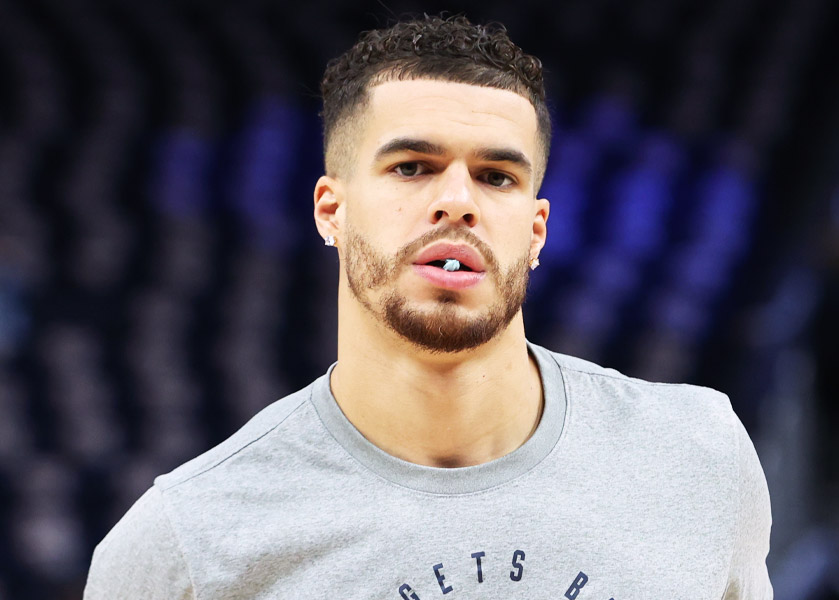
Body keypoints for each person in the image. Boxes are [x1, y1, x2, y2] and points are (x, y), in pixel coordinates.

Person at [85, 15, 773, 599]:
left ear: (536, 231)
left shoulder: (698, 455)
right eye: (411, 167)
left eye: (496, 176)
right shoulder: (189, 543)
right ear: (330, 210)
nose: (458, 202)